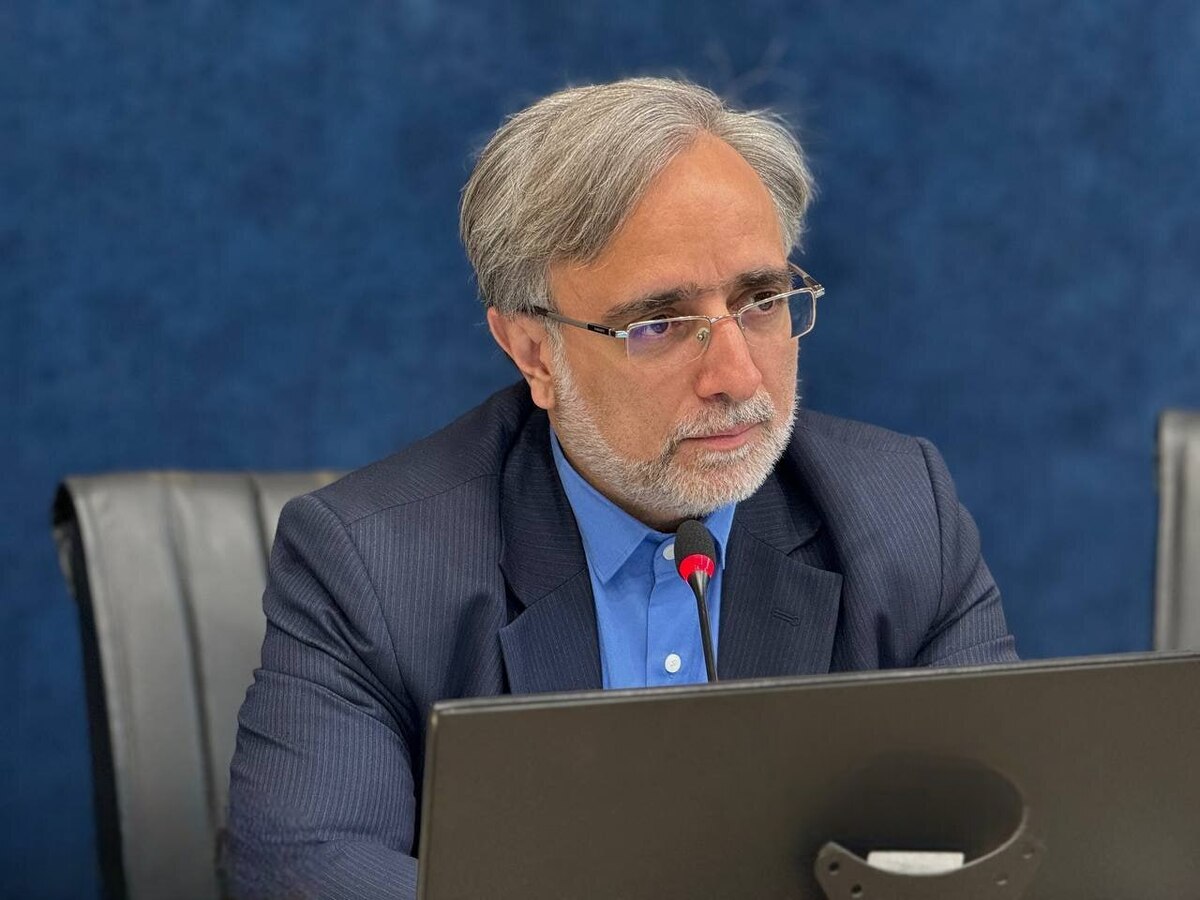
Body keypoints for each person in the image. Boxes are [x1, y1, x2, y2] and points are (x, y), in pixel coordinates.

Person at [223, 76, 1017, 898]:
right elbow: (307, 864)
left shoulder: (900, 515)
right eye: (659, 324)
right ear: (534, 352)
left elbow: (1002, 846)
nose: (737, 376)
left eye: (760, 300)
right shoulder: (374, 563)